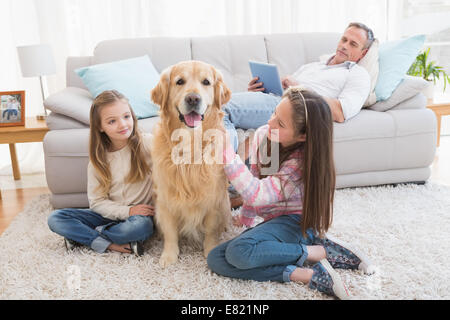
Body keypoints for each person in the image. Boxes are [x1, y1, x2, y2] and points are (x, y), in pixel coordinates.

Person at [208, 88, 373, 299]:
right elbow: (255, 178)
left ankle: (313, 252)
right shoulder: (263, 135)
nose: (271, 123)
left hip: (295, 224)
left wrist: (227, 154)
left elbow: (256, 194)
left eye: (281, 123)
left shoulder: (299, 165)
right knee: (216, 259)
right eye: (274, 113)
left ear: (303, 135)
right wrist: (246, 219)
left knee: (239, 252)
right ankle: (302, 269)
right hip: (274, 223)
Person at [223, 22, 374, 153]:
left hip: (294, 109)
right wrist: (259, 91)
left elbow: (340, 112)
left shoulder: (358, 75)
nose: (344, 46)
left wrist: (300, 88)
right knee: (217, 107)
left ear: (363, 52)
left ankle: (219, 173)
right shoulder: (314, 66)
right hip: (278, 100)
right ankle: (233, 173)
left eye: (353, 44)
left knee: (221, 106)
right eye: (344, 39)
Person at [48, 90, 155, 256]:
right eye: (112, 121)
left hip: (138, 217)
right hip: (109, 215)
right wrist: (126, 211)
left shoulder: (147, 143)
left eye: (126, 116)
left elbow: (174, 156)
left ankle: (83, 237)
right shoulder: (98, 160)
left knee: (139, 228)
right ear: (100, 126)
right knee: (56, 218)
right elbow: (97, 203)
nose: (123, 125)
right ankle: (112, 245)